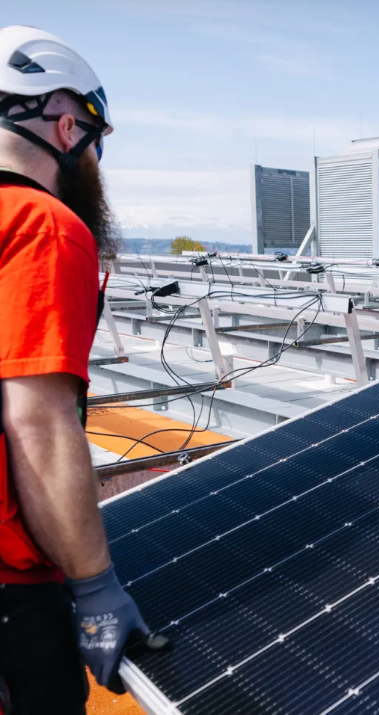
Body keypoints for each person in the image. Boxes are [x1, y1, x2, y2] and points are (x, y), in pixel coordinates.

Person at [0, 25, 163, 712]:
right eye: (97, 142)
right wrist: (94, 587)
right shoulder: (42, 225)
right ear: (67, 128)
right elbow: (36, 419)